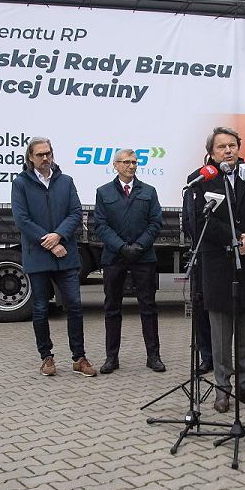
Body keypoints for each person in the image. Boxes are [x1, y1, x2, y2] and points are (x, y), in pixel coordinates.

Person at [189, 127, 245, 412]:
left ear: (239, 147)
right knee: (221, 335)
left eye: (232, 145)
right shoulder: (200, 179)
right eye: (221, 147)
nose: (228, 151)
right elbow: (199, 222)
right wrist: (234, 239)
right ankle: (223, 388)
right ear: (211, 152)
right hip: (218, 267)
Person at [10, 137, 97, 377]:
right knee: (40, 308)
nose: (45, 158)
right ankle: (46, 358)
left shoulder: (66, 181)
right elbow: (22, 219)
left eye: (48, 153)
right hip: (38, 255)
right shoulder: (20, 184)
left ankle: (79, 358)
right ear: (30, 157)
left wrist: (58, 235)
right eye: (40, 155)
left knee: (74, 306)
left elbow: (75, 213)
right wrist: (49, 243)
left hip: (65, 254)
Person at [92, 149, 166, 373]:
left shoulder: (149, 191)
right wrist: (122, 247)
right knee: (112, 308)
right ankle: (111, 358)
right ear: (115, 165)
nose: (131, 166)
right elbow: (101, 225)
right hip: (114, 257)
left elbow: (155, 222)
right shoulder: (103, 192)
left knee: (148, 307)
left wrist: (139, 246)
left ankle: (153, 356)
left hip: (144, 257)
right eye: (126, 162)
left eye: (134, 162)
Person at [180, 170, 214, 375]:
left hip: (221, 255)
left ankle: (224, 357)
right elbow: (187, 219)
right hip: (199, 254)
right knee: (200, 307)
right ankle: (206, 357)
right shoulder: (194, 182)